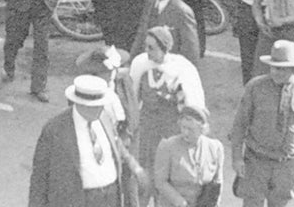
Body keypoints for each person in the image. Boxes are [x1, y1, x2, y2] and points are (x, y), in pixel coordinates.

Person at [227, 39, 294, 207]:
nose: (277, 72)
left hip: (287, 165)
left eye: (283, 69)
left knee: (280, 203)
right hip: (256, 162)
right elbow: (239, 124)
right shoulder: (255, 87)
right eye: (274, 67)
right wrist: (236, 158)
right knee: (252, 202)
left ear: (293, 68)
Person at [27, 74, 140, 207]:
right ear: (80, 104)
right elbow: (39, 178)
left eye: (101, 104)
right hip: (79, 199)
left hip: (110, 198)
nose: (100, 109)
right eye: (95, 106)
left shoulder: (105, 118)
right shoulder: (55, 129)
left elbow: (115, 148)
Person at [127, 27, 205, 189]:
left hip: (169, 131)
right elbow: (132, 99)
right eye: (146, 47)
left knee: (166, 182)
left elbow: (188, 106)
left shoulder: (180, 70)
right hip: (146, 131)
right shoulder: (140, 65)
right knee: (143, 181)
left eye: (152, 48)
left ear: (164, 48)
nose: (147, 52)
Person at [152, 104, 224, 207]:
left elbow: (217, 183)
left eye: (190, 129)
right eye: (183, 127)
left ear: (201, 129)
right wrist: (180, 202)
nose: (185, 133)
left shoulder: (215, 148)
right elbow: (160, 182)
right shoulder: (167, 146)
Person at [134, 0, 201, 64]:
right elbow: (141, 35)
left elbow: (190, 50)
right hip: (148, 63)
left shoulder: (182, 12)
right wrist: (132, 61)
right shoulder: (150, 2)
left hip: (170, 68)